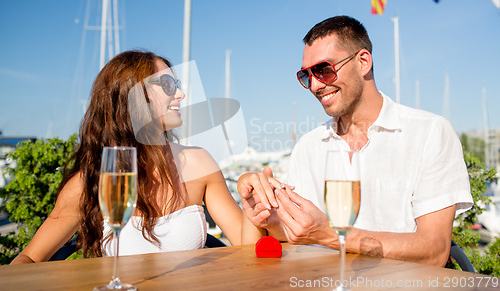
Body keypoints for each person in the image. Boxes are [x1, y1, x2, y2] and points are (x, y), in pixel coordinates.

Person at [238, 15, 473, 267]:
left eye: (324, 70)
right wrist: (266, 214)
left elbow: (434, 251)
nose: (315, 85)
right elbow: (304, 234)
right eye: (306, 76)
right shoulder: (309, 146)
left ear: (363, 62)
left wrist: (332, 235)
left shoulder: (429, 133)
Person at [11, 50, 242, 264]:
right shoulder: (92, 181)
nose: (180, 94)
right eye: (168, 84)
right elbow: (30, 258)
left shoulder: (199, 163)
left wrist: (255, 205)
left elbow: (246, 243)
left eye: (176, 84)